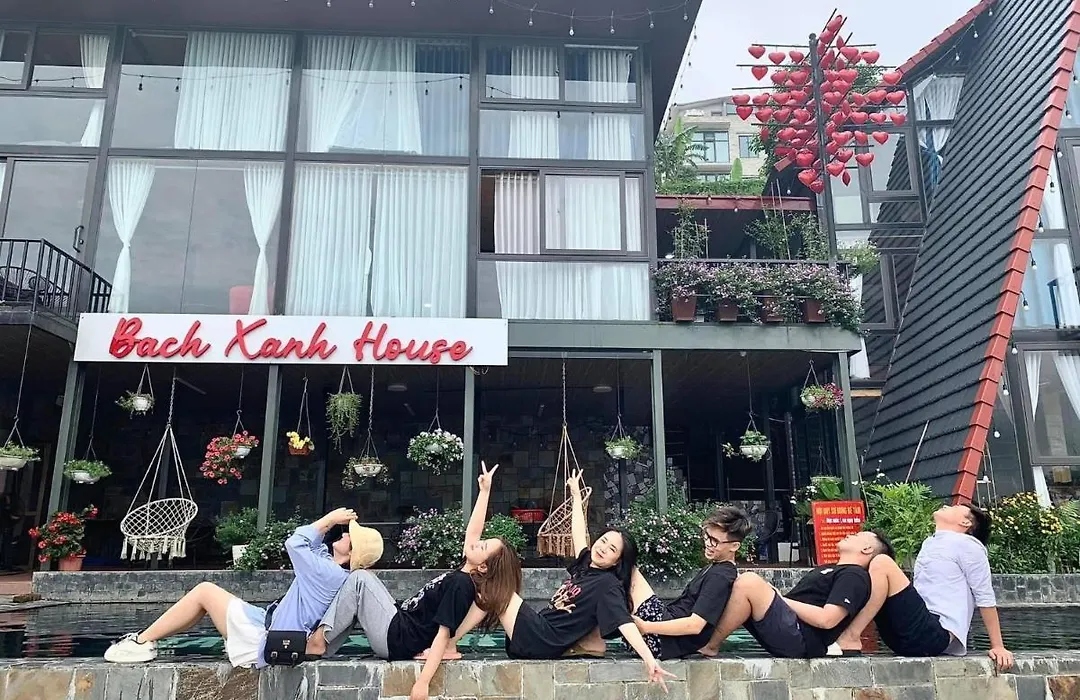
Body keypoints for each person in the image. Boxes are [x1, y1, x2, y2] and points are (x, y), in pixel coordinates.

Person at [442, 469, 676, 692]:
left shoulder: (608, 586)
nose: (603, 548)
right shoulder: (587, 566)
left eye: (612, 549)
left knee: (495, 588)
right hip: (540, 629)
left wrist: (649, 660)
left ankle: (449, 642)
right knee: (490, 588)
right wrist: (575, 496)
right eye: (603, 541)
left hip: (544, 638)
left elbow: (625, 623)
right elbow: (578, 535)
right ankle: (450, 641)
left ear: (617, 561)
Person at [305, 462, 521, 700]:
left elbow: (443, 635)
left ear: (483, 566)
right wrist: (484, 491)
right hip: (398, 624)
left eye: (483, 547)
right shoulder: (463, 570)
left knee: (359, 578)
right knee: (365, 580)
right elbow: (473, 532)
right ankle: (322, 645)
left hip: (398, 638)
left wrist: (423, 682)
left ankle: (318, 640)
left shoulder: (462, 585)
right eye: (482, 541)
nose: (476, 543)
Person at [104, 507, 380, 666]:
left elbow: (295, 543)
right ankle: (147, 640)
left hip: (266, 638)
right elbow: (313, 545)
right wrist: (328, 525)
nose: (344, 533)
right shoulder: (330, 568)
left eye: (350, 536)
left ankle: (141, 642)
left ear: (352, 552)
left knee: (204, 592)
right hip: (266, 623)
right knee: (207, 596)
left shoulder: (328, 573)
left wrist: (329, 519)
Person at [834, 504, 1014, 671]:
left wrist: (998, 646)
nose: (946, 505)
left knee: (881, 561)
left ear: (966, 522)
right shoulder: (931, 542)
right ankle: (831, 631)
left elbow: (984, 596)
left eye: (955, 507)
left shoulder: (969, 546)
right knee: (869, 564)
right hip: (901, 636)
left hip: (933, 634)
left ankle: (851, 636)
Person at [700, 530, 890, 659]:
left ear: (867, 549)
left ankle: (710, 645)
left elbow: (827, 619)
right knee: (731, 581)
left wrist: (780, 599)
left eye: (856, 535)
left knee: (749, 582)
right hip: (789, 628)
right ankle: (695, 635)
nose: (849, 534)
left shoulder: (854, 576)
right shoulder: (830, 569)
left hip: (801, 639)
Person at [629, 506, 751, 660]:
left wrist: (646, 627)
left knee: (624, 565)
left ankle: (599, 639)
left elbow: (695, 625)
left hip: (660, 641)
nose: (708, 543)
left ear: (734, 546)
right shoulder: (716, 568)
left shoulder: (720, 576)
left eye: (715, 541)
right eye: (707, 536)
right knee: (620, 566)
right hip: (661, 632)